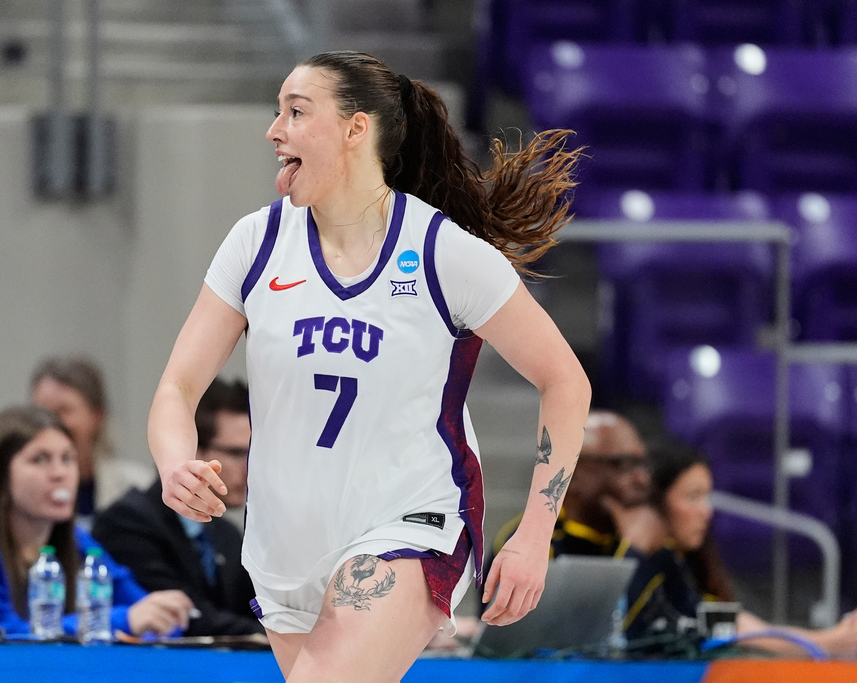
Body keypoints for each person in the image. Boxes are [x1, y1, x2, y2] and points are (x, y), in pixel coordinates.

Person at [146, 50, 592, 681]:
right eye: (277, 113)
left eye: (296, 113)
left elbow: (564, 380)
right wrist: (173, 463)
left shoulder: (442, 252)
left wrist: (535, 533)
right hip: (284, 546)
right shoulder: (257, 242)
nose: (274, 131)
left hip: (409, 524)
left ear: (356, 129)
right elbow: (177, 386)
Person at [0, 404, 195, 639]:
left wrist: (160, 616)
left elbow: (155, 619)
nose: (60, 473)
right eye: (40, 459)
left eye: (68, 459)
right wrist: (120, 621)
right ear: (0, 477)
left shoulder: (78, 542)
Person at [624, 439, 857, 658]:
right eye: (692, 497)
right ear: (653, 503)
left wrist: (829, 641)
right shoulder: (642, 563)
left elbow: (733, 627)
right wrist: (830, 643)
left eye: (706, 497)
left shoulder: (686, 564)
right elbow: (736, 631)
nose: (706, 511)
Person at [93, 376, 262, 638]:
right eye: (238, 453)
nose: (249, 467)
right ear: (192, 450)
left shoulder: (226, 533)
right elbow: (186, 618)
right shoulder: (126, 523)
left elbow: (253, 609)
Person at [490, 409, 656, 563]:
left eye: (643, 464)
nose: (642, 479)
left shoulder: (656, 533)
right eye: (624, 464)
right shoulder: (527, 543)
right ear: (573, 471)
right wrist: (633, 553)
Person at [30, 355, 153, 524]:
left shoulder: (137, 486)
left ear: (97, 415)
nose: (49, 422)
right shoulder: (20, 492)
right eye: (40, 411)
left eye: (63, 410)